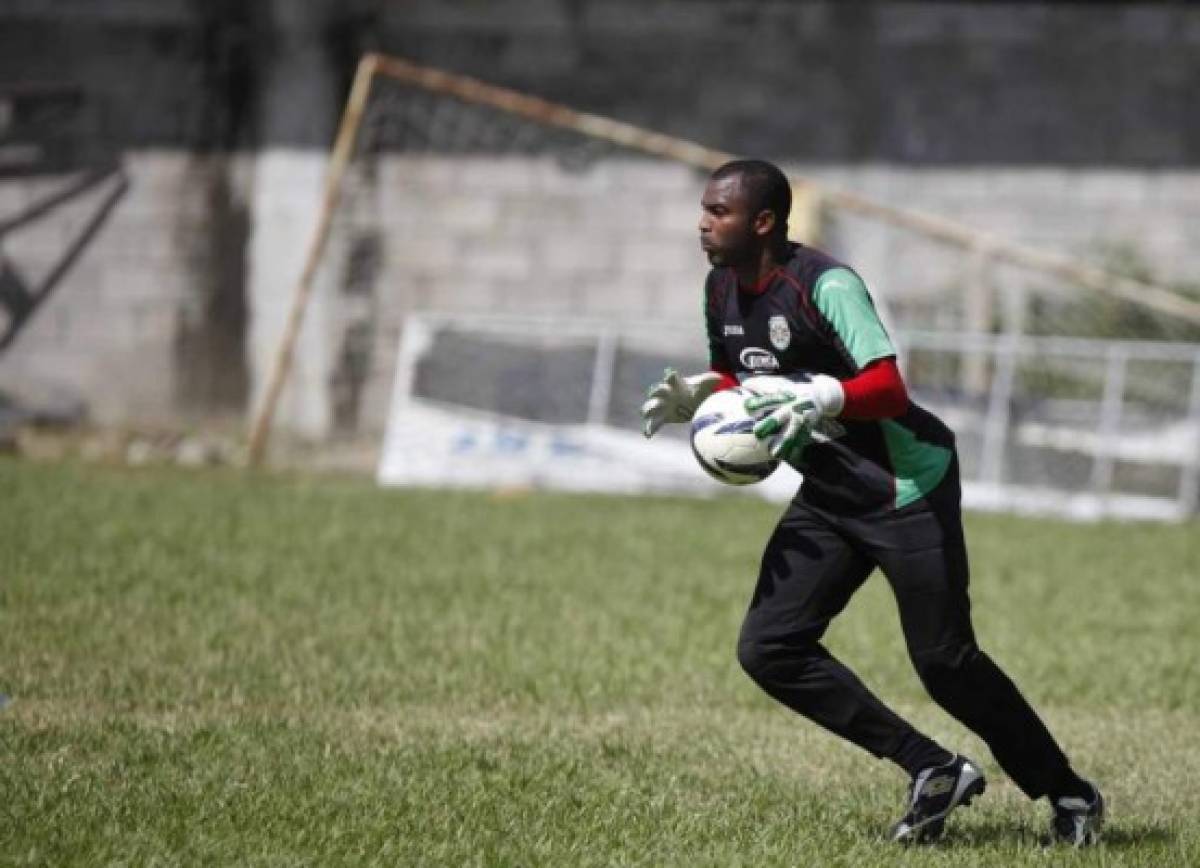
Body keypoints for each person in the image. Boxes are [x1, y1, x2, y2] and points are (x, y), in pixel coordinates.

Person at [640, 159, 1104, 846]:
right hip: (829, 492)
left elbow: (888, 387)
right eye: (704, 209)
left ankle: (1070, 795)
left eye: (719, 211)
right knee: (770, 649)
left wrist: (826, 395)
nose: (703, 222)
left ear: (762, 222)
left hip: (904, 488)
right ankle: (934, 769)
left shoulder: (826, 285)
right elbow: (744, 375)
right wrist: (705, 393)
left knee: (946, 663)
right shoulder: (720, 288)